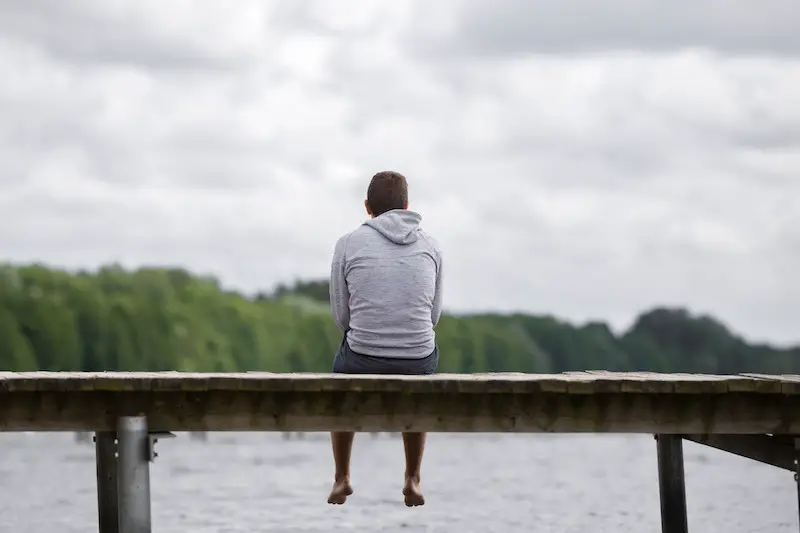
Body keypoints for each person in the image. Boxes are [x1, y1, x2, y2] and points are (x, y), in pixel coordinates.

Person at [327, 171, 443, 507]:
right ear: (406, 206)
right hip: (418, 356)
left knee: (340, 381)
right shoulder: (431, 245)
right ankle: (413, 477)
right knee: (420, 379)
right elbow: (434, 316)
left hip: (361, 355)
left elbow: (341, 316)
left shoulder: (347, 243)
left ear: (367, 207)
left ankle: (342, 477)